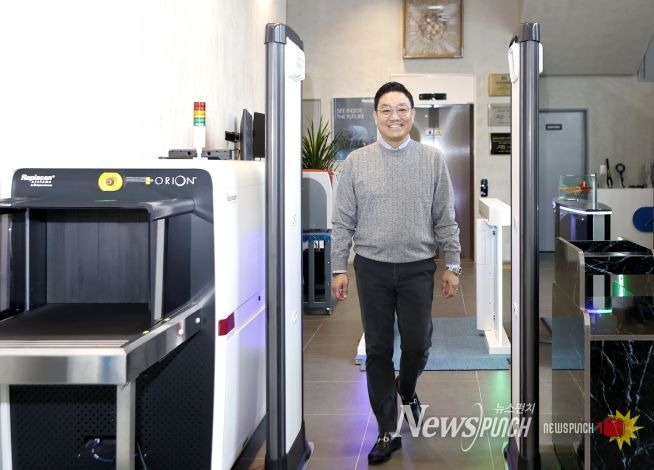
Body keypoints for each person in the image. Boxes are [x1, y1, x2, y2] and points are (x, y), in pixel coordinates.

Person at [330, 81, 461, 465]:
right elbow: (343, 221)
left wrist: (452, 263)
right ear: (375, 116)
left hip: (417, 267)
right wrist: (338, 267)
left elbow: (445, 216)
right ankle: (387, 429)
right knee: (378, 348)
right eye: (386, 109)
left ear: (412, 114)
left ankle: (407, 388)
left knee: (418, 344)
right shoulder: (356, 163)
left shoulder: (432, 160)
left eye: (402, 109)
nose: (394, 116)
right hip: (371, 268)